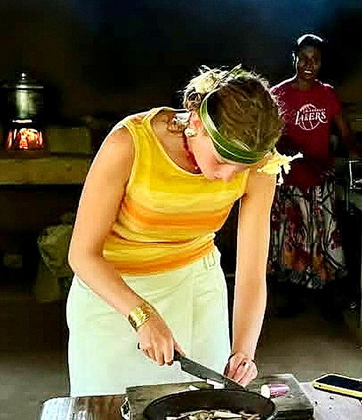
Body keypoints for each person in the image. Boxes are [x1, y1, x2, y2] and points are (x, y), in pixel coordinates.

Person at [67, 66, 297, 396]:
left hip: (195, 288)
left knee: (201, 414)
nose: (228, 178)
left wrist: (244, 350)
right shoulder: (129, 144)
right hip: (113, 293)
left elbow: (250, 274)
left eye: (241, 169)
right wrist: (142, 316)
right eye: (220, 161)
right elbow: (82, 255)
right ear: (196, 124)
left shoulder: (259, 164)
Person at [269, 34, 358, 315]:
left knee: (322, 239)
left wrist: (360, 157)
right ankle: (292, 298)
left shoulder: (328, 94)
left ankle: (325, 299)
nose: (309, 64)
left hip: (321, 182)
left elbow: (344, 132)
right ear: (294, 58)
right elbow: (274, 139)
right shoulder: (279, 95)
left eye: (315, 60)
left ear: (321, 64)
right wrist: (305, 159)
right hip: (291, 182)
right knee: (292, 240)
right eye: (304, 58)